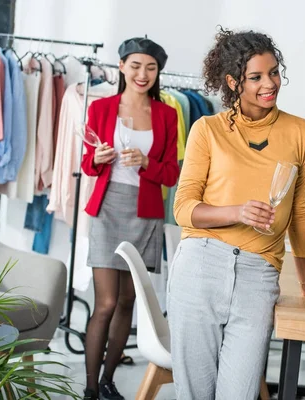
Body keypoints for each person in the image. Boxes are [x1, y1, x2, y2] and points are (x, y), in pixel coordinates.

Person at [168, 27, 305, 399]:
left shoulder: (302, 132)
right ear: (233, 81)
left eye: (274, 72)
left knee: (239, 393)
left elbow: (300, 212)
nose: (270, 83)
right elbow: (183, 209)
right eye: (257, 77)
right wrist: (237, 212)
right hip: (200, 267)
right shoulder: (207, 129)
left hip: (258, 274)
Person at [81, 37, 179, 400]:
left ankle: (108, 382)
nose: (143, 74)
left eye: (151, 68)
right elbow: (87, 163)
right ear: (121, 67)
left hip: (145, 212)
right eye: (135, 66)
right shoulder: (102, 108)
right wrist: (100, 159)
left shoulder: (169, 114)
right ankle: (90, 388)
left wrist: (147, 163)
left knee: (127, 301)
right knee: (105, 303)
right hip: (108, 210)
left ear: (158, 73)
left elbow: (170, 174)